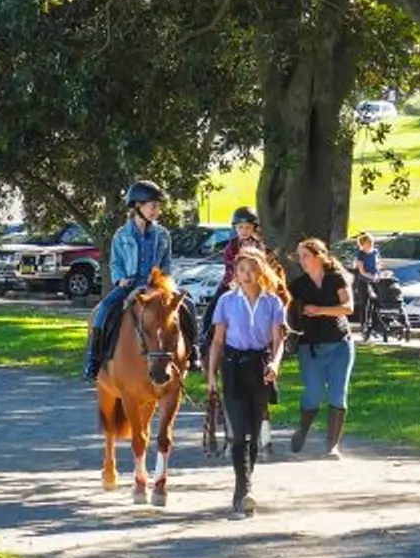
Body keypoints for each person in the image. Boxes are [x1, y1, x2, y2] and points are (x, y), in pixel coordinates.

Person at [83, 180, 195, 382]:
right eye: (152, 206)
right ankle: (94, 359)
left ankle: (193, 353)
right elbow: (115, 262)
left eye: (158, 206)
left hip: (156, 286)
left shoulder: (163, 235)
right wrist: (120, 279)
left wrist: (166, 284)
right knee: (103, 310)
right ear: (137, 206)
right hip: (130, 286)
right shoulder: (121, 235)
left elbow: (166, 264)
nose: (156, 210)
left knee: (189, 305)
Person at [207, 251, 289, 518]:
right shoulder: (226, 302)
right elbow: (218, 341)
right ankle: (245, 490)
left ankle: (242, 489)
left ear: (261, 271)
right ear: (235, 273)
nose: (246, 274)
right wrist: (211, 374)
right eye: (241, 269)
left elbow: (278, 341)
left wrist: (275, 364)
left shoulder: (273, 302)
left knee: (254, 435)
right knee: (239, 433)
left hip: (260, 368)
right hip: (233, 367)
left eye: (252, 269)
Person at [288, 238, 356, 458]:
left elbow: (348, 308)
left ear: (319, 256)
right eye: (299, 257)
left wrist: (320, 310)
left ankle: (332, 445)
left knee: (338, 394)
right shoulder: (297, 286)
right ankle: (303, 429)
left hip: (340, 344)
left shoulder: (336, 279)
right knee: (314, 394)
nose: (302, 261)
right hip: (310, 346)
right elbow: (285, 311)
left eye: (305, 256)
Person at [350, 232, 380, 324]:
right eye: (368, 242)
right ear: (363, 244)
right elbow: (361, 270)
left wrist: (378, 274)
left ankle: (375, 323)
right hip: (363, 281)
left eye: (371, 241)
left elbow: (378, 264)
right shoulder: (360, 254)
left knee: (377, 302)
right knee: (365, 303)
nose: (371, 243)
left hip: (374, 280)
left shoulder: (375, 252)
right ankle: (364, 324)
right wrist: (371, 276)